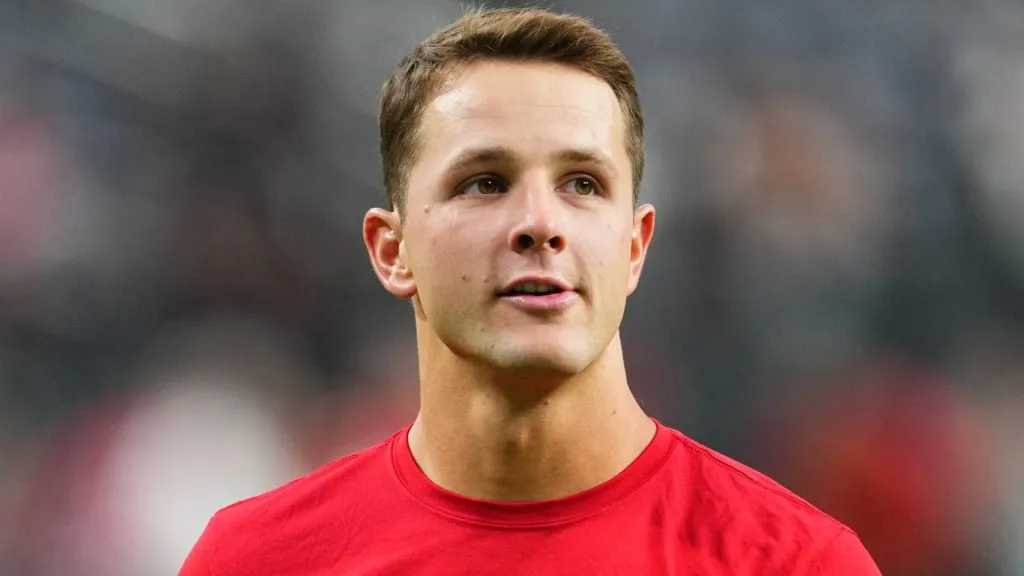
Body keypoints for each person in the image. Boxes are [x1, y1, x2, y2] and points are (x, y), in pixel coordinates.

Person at [179, 7, 881, 575]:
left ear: (634, 248)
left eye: (582, 184)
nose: (539, 224)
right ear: (393, 252)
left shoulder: (793, 562)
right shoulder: (255, 561)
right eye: (485, 181)